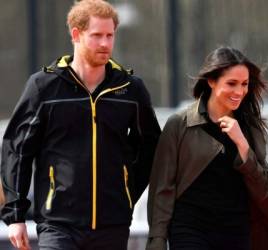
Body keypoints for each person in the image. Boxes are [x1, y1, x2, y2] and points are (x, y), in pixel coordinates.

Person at [0, 0, 161, 249]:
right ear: (76, 34)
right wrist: (15, 214)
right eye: (97, 35)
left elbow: (151, 147)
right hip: (58, 224)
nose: (105, 43)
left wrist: (125, 195)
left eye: (110, 35)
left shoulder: (129, 89)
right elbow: (17, 149)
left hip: (113, 224)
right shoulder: (44, 87)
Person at [146, 46, 268, 250]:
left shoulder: (250, 127)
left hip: (236, 231)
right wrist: (156, 241)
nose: (239, 91)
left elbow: (263, 189)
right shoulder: (179, 124)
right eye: (232, 83)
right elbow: (162, 188)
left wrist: (242, 146)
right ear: (211, 81)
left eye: (244, 84)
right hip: (190, 228)